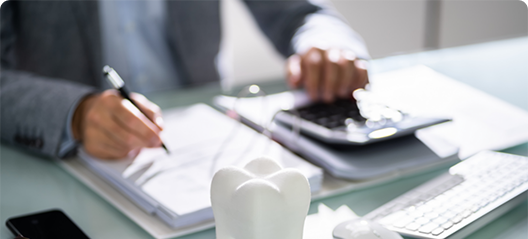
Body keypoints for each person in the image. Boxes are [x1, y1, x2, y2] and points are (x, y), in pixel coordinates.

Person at [0, 0, 370, 159]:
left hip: (207, 144)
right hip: (68, 160)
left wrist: (326, 46)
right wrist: (74, 112)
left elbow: (304, 14)